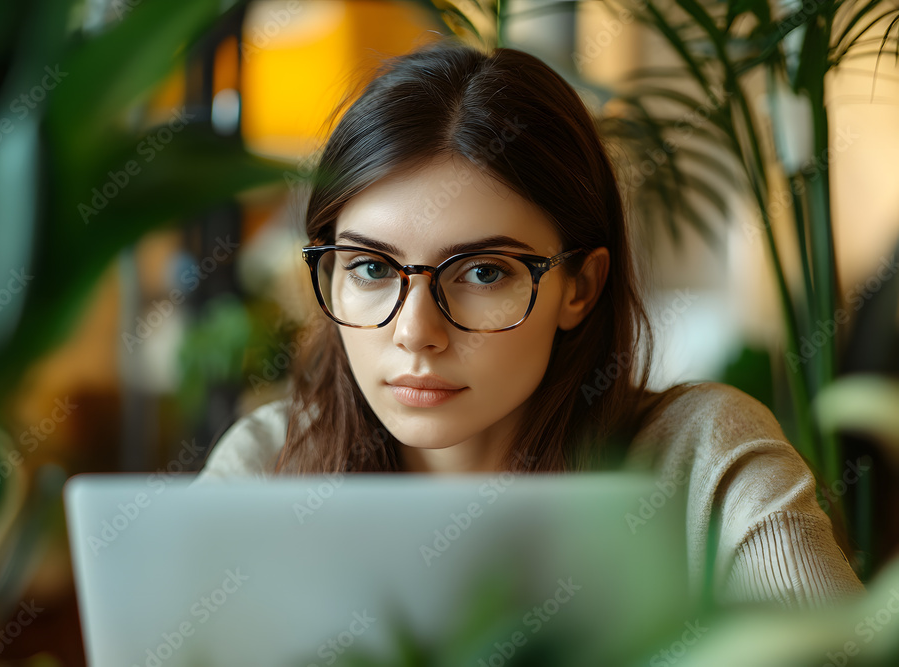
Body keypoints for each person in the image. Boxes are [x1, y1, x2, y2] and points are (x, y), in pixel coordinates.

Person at [196, 39, 864, 608]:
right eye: (371, 268)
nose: (416, 331)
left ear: (579, 285)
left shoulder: (704, 468)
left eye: (484, 272)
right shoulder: (266, 467)